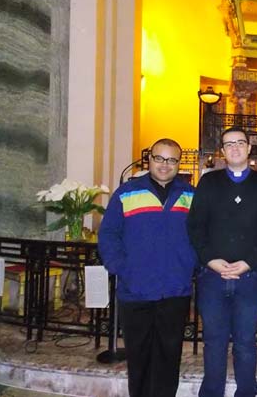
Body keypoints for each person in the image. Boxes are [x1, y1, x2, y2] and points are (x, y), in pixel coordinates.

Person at [98, 138, 197, 397]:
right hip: (136, 290)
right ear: (149, 159)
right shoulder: (127, 192)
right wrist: (122, 268)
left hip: (175, 290)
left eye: (172, 160)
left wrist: (190, 264)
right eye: (159, 158)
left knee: (169, 356)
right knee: (139, 356)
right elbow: (108, 235)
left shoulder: (190, 195)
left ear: (179, 163)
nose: (165, 164)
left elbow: (202, 235)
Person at [186, 127, 257, 397]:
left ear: (249, 148)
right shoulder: (209, 182)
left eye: (240, 143)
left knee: (245, 342)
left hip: (249, 277)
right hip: (212, 277)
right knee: (214, 342)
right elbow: (195, 226)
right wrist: (210, 260)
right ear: (223, 151)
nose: (235, 148)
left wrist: (249, 262)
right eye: (229, 144)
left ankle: (246, 392)